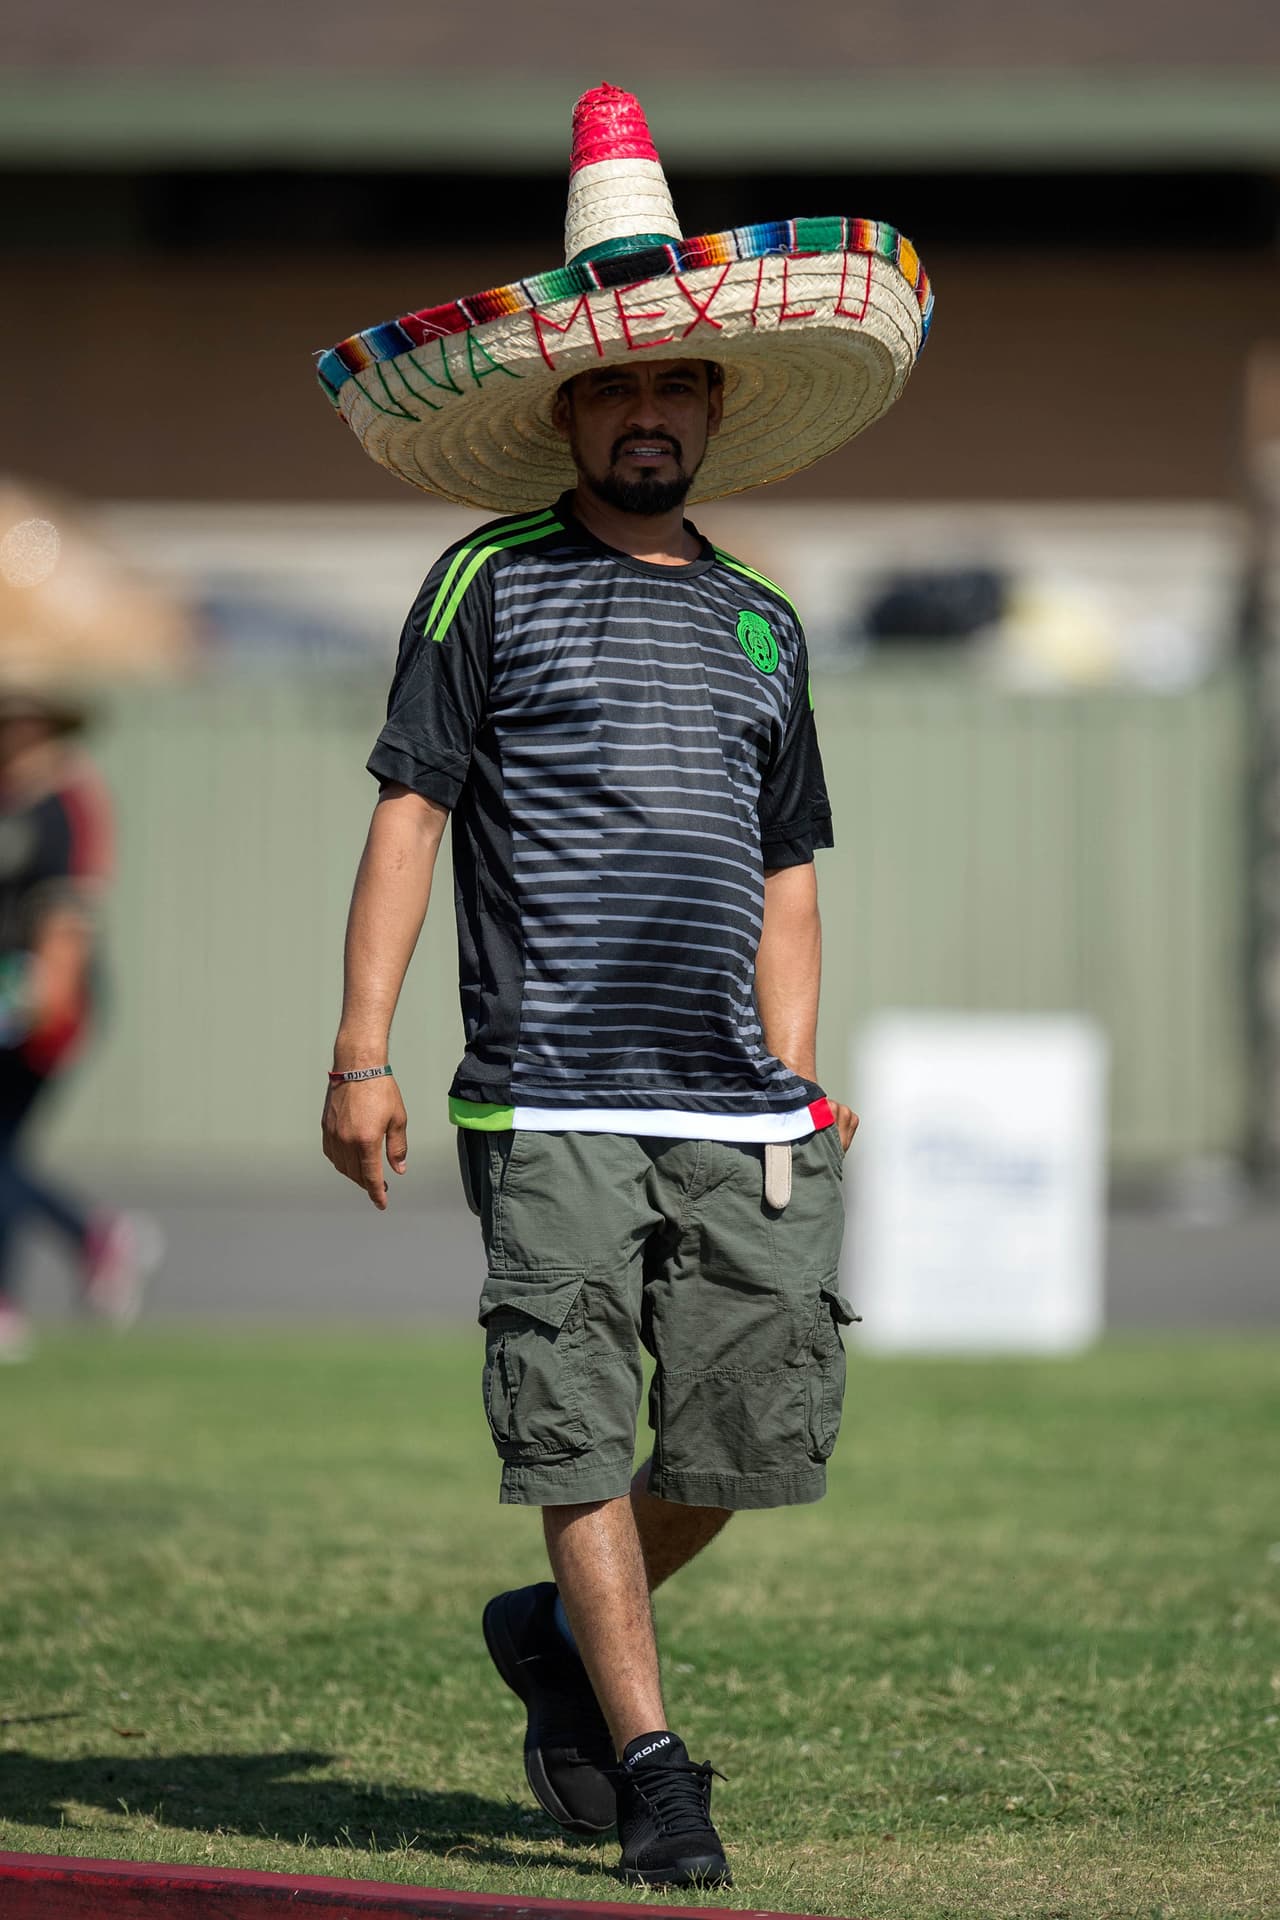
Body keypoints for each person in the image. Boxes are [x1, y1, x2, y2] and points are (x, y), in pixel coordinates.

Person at [319, 85, 931, 1888]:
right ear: (565, 410)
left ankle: (550, 1632)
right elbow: (411, 817)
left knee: (749, 1446)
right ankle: (654, 1760)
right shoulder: (485, 585)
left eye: (675, 387)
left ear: (712, 408)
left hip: (736, 1104)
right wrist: (361, 1055)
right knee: (572, 1422)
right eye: (612, 387)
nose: (646, 412)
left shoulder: (764, 621)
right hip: (552, 1092)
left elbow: (789, 869)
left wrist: (796, 1078)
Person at [0, 679, 155, 1362]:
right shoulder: (12, 796)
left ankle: (15, 1296)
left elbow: (68, 913)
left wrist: (40, 1004)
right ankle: (92, 1236)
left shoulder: (64, 799)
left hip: (35, 997)